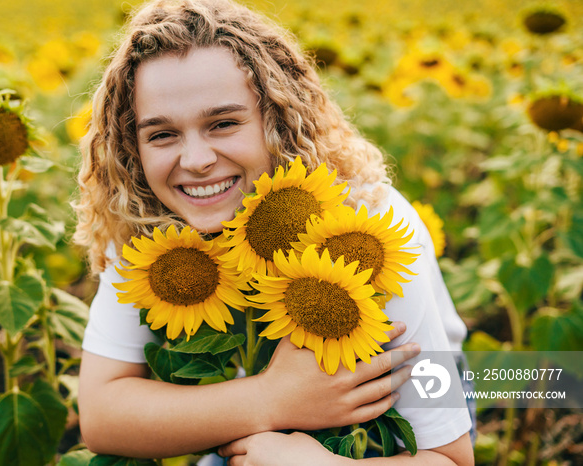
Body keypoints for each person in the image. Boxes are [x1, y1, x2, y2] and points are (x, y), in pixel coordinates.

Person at [73, 0, 475, 464]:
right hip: (256, 416)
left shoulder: (368, 229)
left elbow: (450, 456)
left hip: (405, 416)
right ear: (132, 146)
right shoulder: (146, 223)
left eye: (223, 123)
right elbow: (102, 415)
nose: (197, 159)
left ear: (278, 120)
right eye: (161, 134)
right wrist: (270, 400)